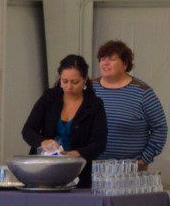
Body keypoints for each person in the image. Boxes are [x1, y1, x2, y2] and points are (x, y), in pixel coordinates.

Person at [22, 54, 109, 184]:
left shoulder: (94, 105)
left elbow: (99, 144)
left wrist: (74, 154)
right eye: (64, 81)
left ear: (85, 80)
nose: (69, 87)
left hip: (78, 173)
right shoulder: (49, 97)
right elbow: (28, 130)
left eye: (75, 82)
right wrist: (43, 142)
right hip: (42, 170)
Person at [91, 39, 168, 167]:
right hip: (92, 170)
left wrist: (144, 159)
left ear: (125, 64)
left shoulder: (143, 92)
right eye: (102, 58)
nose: (105, 63)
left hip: (129, 173)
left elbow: (160, 128)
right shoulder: (88, 89)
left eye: (111, 59)